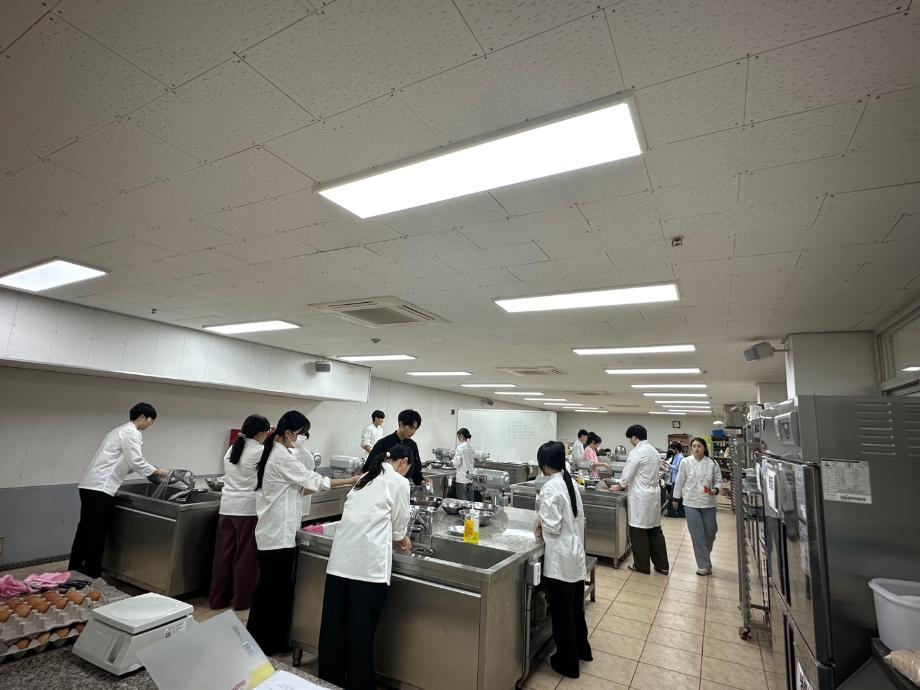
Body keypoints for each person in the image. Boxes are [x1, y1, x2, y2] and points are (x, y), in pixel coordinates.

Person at [247, 411, 357, 655]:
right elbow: (314, 480)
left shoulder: (274, 452)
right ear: (288, 433)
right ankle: (266, 642)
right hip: (278, 535)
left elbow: (298, 489)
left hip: (273, 532)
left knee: (269, 589)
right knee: (273, 591)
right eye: (301, 434)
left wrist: (323, 484)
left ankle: (265, 639)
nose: (301, 438)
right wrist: (351, 480)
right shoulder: (282, 457)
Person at [318, 445, 413, 690]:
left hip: (339, 563)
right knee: (360, 632)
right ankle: (361, 684)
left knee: (334, 629)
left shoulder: (366, 477)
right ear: (403, 462)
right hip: (367, 568)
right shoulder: (399, 483)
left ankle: (328, 681)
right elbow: (399, 527)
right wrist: (402, 539)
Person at [69, 402, 168, 577]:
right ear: (142, 417)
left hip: (89, 485)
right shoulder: (132, 432)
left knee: (85, 528)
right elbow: (136, 461)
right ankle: (92, 573)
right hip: (101, 487)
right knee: (96, 531)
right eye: (150, 421)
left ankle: (75, 568)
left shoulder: (118, 431)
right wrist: (157, 471)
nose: (150, 425)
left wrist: (149, 469)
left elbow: (126, 462)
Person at [533, 441, 591, 679]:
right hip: (575, 554)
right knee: (575, 608)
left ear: (544, 464)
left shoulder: (550, 487)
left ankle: (567, 662)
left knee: (561, 613)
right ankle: (582, 650)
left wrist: (540, 523)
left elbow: (553, 527)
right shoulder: (570, 483)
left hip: (560, 559)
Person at [209, 415, 271, 611]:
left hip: (227, 508)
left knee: (223, 555)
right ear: (260, 433)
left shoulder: (233, 448)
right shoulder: (260, 451)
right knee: (246, 557)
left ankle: (217, 600)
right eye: (267, 431)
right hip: (247, 510)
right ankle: (242, 601)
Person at [609, 424, 669, 575]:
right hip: (653, 495)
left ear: (634, 437)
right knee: (655, 530)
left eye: (630, 438)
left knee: (638, 531)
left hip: (641, 496)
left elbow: (627, 474)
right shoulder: (654, 451)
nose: (631, 441)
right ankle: (662, 565)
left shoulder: (636, 452)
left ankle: (642, 566)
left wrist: (619, 485)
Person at [673, 437, 721, 575]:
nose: (696, 449)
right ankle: (704, 565)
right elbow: (680, 481)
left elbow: (718, 480)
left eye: (699, 446)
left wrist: (715, 490)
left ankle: (704, 556)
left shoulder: (712, 463)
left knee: (711, 532)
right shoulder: (685, 462)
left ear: (704, 448)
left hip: (708, 502)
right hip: (690, 502)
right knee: (697, 534)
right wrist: (676, 498)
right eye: (693, 446)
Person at [363, 409, 424, 486]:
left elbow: (416, 470)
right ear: (401, 424)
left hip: (402, 486)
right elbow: (367, 469)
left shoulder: (413, 445)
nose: (413, 432)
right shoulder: (383, 443)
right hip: (383, 486)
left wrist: (422, 481)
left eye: (415, 429)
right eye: (411, 427)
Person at [452, 428, 475, 500]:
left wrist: (452, 462)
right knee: (470, 502)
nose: (458, 438)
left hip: (461, 479)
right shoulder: (471, 448)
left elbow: (457, 463)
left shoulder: (460, 448)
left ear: (461, 435)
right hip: (469, 478)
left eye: (458, 436)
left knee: (462, 502)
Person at [665, 441, 686, 518]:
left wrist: (668, 464)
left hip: (677, 480)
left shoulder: (680, 457)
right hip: (674, 479)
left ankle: (672, 513)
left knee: (673, 498)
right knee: (678, 497)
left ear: (676, 449)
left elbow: (677, 468)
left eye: (672, 449)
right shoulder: (676, 456)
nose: (671, 450)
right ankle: (681, 513)